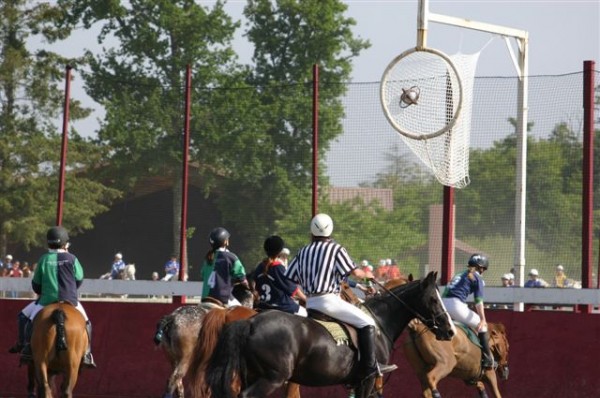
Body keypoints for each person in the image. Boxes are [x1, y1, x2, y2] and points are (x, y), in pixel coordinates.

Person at [285, 213, 397, 381]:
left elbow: (290, 277)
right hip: (329, 301)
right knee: (368, 322)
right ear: (330, 229)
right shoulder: (336, 249)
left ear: (312, 230)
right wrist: (369, 277)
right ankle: (371, 366)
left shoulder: (303, 251)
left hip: (311, 302)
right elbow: (356, 272)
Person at [7, 226, 96, 368]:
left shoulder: (43, 259)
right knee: (87, 323)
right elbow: (79, 279)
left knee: (23, 317)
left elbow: (36, 285)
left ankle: (26, 347)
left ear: (49, 243)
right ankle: (87, 354)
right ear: (65, 243)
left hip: (46, 301)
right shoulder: (72, 258)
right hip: (70, 301)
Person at [442, 253, 495, 369]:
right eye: (483, 269)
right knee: (483, 326)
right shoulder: (477, 278)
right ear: (481, 268)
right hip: (456, 305)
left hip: (442, 304)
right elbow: (478, 301)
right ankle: (487, 359)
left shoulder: (459, 274)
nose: (483, 271)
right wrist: (483, 320)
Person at [253, 235, 307, 316]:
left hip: (263, 306)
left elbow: (257, 288)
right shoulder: (278, 267)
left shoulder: (259, 267)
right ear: (279, 251)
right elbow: (293, 290)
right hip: (282, 306)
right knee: (306, 314)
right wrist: (306, 300)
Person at [203, 227, 248, 306]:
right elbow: (242, 277)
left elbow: (202, 274)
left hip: (205, 298)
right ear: (225, 242)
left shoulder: (207, 258)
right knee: (244, 313)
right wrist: (247, 285)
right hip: (223, 298)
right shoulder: (231, 257)